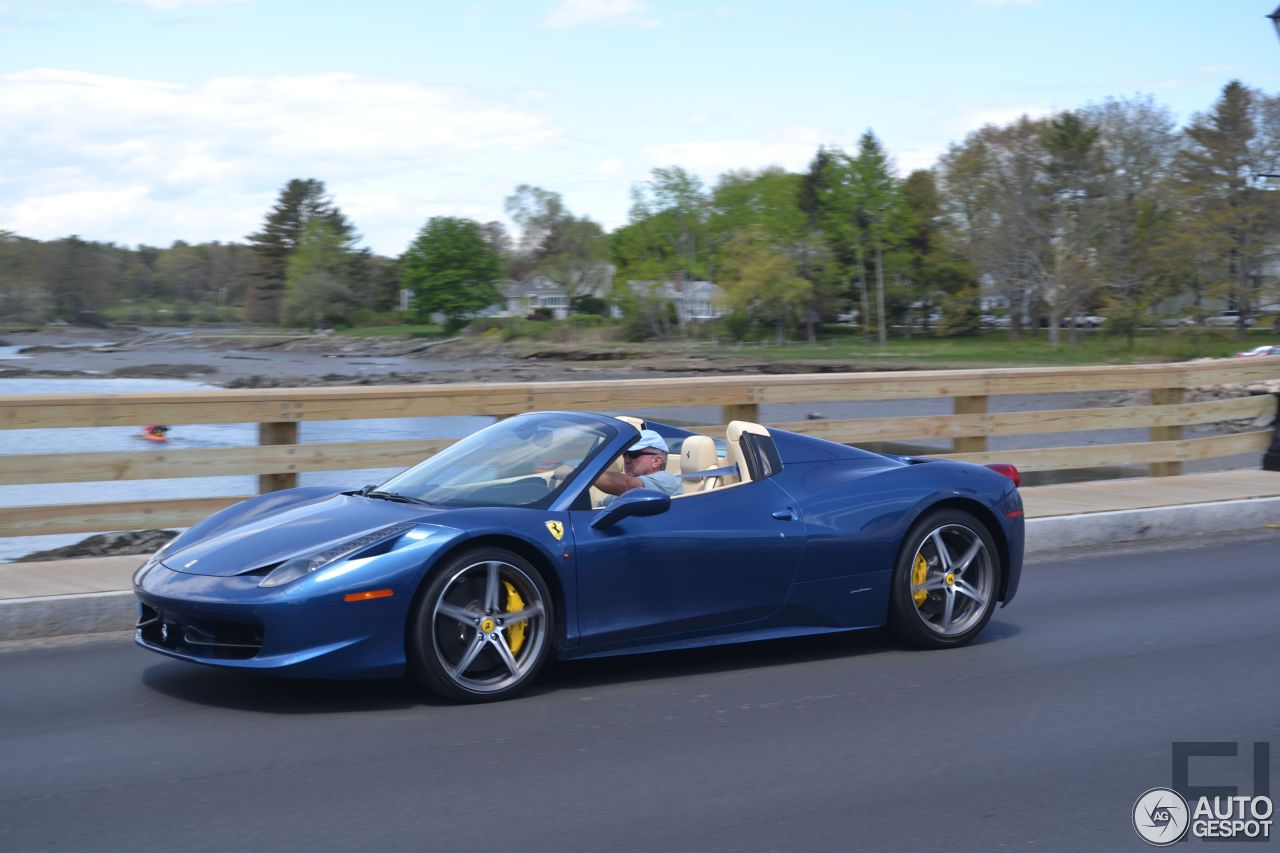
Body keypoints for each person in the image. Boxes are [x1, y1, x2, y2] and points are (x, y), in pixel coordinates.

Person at [557, 429, 680, 505]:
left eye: (633, 455)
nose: (626, 460)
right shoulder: (618, 494)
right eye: (624, 455)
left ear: (656, 461)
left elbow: (626, 485)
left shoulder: (666, 480)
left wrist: (579, 473)